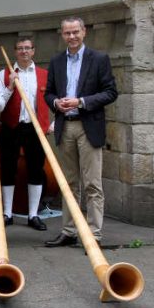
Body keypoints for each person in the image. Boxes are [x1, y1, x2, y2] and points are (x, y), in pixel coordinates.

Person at [44, 16, 118, 247]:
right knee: (69, 183)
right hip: (65, 126)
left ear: (84, 32)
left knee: (92, 184)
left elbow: (110, 92)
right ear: (62, 35)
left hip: (89, 126)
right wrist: (56, 103)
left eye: (76, 32)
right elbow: (49, 93)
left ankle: (94, 234)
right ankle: (69, 231)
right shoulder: (56, 61)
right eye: (67, 33)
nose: (72, 36)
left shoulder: (99, 59)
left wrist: (81, 102)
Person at [0, 37, 50, 231]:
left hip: (35, 129)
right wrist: (10, 86)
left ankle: (33, 214)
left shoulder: (44, 75)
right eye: (20, 48)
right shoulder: (4, 74)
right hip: (11, 127)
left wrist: (51, 124)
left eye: (28, 48)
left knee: (36, 169)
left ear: (33, 51)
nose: (24, 51)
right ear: (15, 52)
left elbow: (54, 101)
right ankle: (7, 213)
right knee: (8, 169)